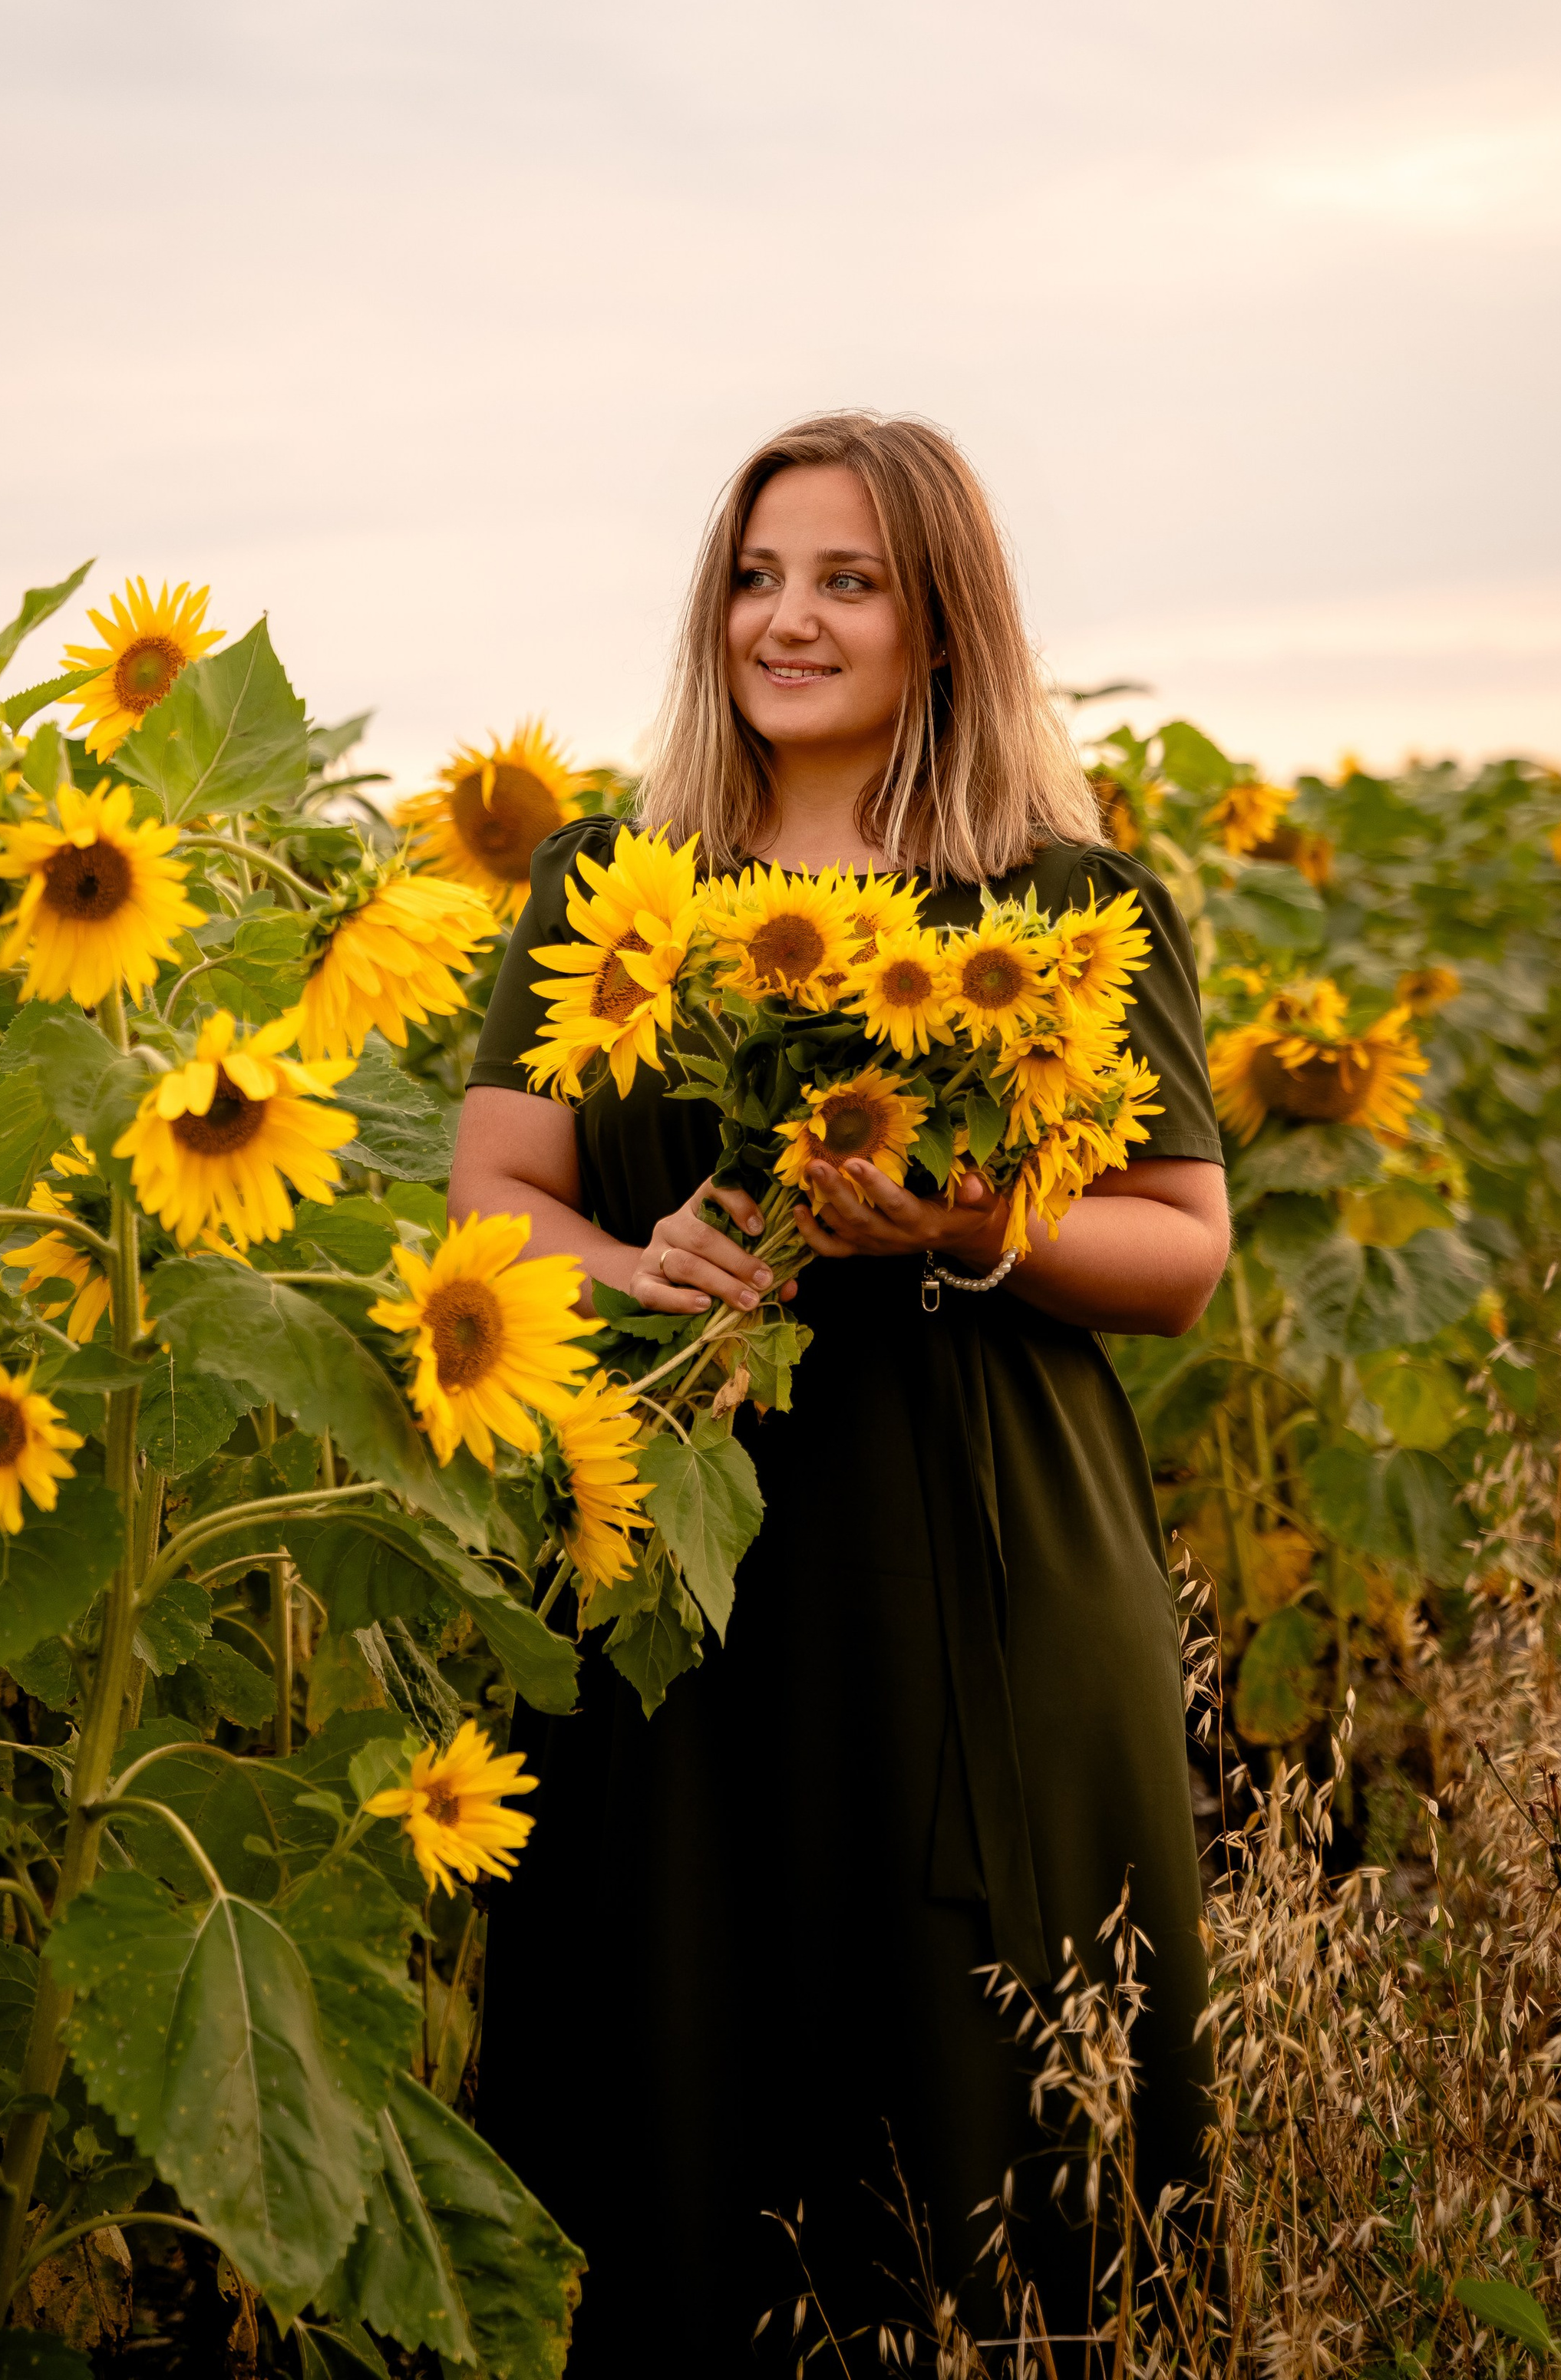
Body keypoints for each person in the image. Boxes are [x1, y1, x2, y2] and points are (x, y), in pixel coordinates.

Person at [453, 410, 1231, 2372]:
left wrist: (969, 1227)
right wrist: (637, 1272)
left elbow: (1179, 1248)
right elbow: (495, 1194)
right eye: (754, 574)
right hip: (672, 1564)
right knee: (669, 2055)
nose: (782, 621)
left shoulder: (1060, 902)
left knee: (980, 2070)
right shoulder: (608, 884)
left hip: (979, 1558)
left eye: (845, 581)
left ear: (943, 623)